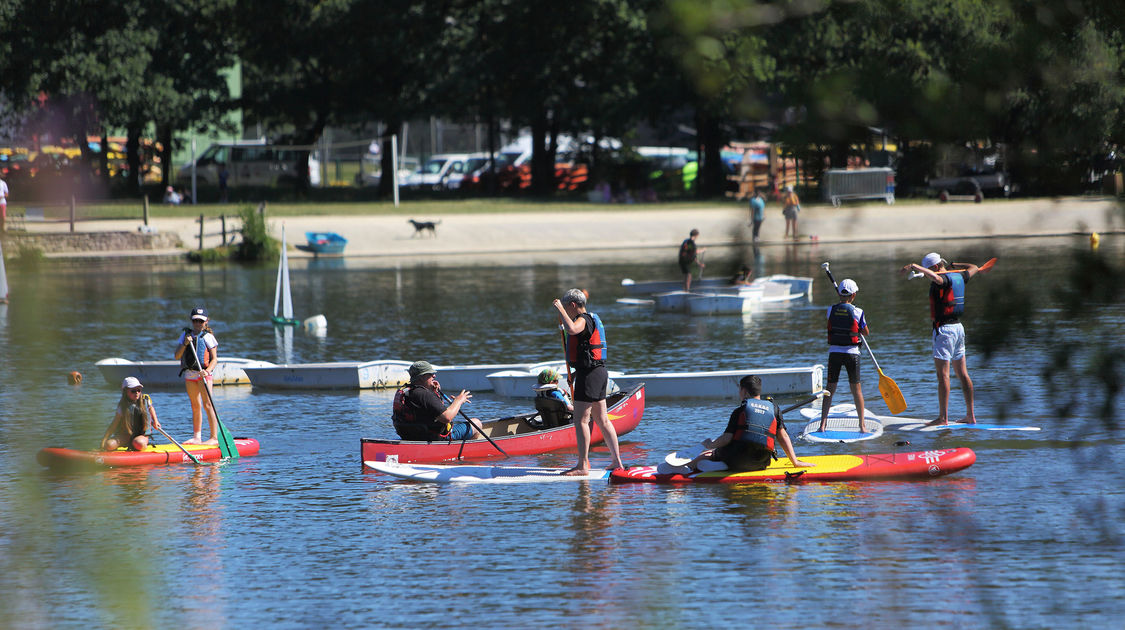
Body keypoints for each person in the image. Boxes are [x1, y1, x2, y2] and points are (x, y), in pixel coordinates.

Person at [901, 252, 982, 425]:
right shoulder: (959, 276)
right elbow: (974, 268)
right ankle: (970, 416)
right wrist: (955, 264)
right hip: (959, 329)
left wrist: (915, 266)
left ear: (936, 267)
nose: (929, 275)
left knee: (943, 375)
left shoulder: (943, 280)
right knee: (962, 373)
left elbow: (937, 279)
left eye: (930, 270)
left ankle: (943, 418)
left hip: (944, 331)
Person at [675, 375, 813, 473]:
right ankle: (721, 465)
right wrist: (795, 462)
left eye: (739, 390)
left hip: (736, 460)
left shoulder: (739, 411)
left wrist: (708, 445)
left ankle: (685, 468)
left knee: (710, 452)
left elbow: (726, 439)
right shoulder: (774, 409)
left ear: (744, 391)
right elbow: (783, 437)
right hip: (762, 463)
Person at [553, 288, 625, 474]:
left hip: (592, 375)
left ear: (573, 305)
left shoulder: (583, 320)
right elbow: (587, 353)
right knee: (602, 419)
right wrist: (577, 373)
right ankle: (617, 462)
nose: (567, 313)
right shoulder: (592, 319)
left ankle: (583, 465)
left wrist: (559, 309)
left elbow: (571, 329)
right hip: (597, 373)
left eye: (567, 308)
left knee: (581, 420)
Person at [819, 279, 870, 432]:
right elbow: (866, 332)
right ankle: (862, 426)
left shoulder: (830, 309)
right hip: (852, 354)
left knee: (829, 389)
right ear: (853, 295)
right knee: (857, 391)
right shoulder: (858, 311)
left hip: (834, 353)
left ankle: (822, 425)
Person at [391, 361, 481, 441]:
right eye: (430, 374)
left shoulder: (406, 391)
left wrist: (433, 392)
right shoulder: (423, 394)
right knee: (476, 423)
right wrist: (458, 401)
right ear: (422, 377)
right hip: (433, 437)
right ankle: (465, 454)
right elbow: (447, 417)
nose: (434, 376)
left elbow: (428, 410)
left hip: (409, 436)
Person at [173, 307, 220, 444]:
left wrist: (207, 371)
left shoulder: (208, 337)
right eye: (195, 321)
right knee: (195, 406)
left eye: (200, 321)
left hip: (203, 374)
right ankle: (197, 437)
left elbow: (214, 359)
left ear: (205, 322)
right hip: (190, 374)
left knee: (208, 405)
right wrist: (185, 343)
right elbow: (177, 356)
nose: (198, 324)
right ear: (191, 321)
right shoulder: (185, 336)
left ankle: (213, 438)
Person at [100, 377, 161, 451]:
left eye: (139, 390)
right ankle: (130, 444)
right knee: (109, 445)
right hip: (126, 435)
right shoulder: (122, 407)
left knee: (138, 443)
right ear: (125, 392)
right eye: (133, 391)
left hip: (142, 435)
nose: (137, 393)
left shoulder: (145, 400)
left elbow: (151, 408)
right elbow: (114, 424)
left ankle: (141, 446)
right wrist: (104, 439)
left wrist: (156, 421)